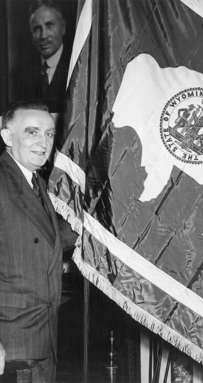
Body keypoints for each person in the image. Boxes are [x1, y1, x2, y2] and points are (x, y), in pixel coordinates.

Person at [0, 101, 64, 382]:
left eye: (49, 134)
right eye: (32, 132)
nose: (44, 142)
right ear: (6, 137)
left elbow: (42, 241)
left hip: (41, 339)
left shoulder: (35, 182)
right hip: (10, 345)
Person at [13, 0, 70, 114]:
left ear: (63, 28)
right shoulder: (21, 73)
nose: (43, 35)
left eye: (49, 26)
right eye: (37, 29)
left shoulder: (76, 66)